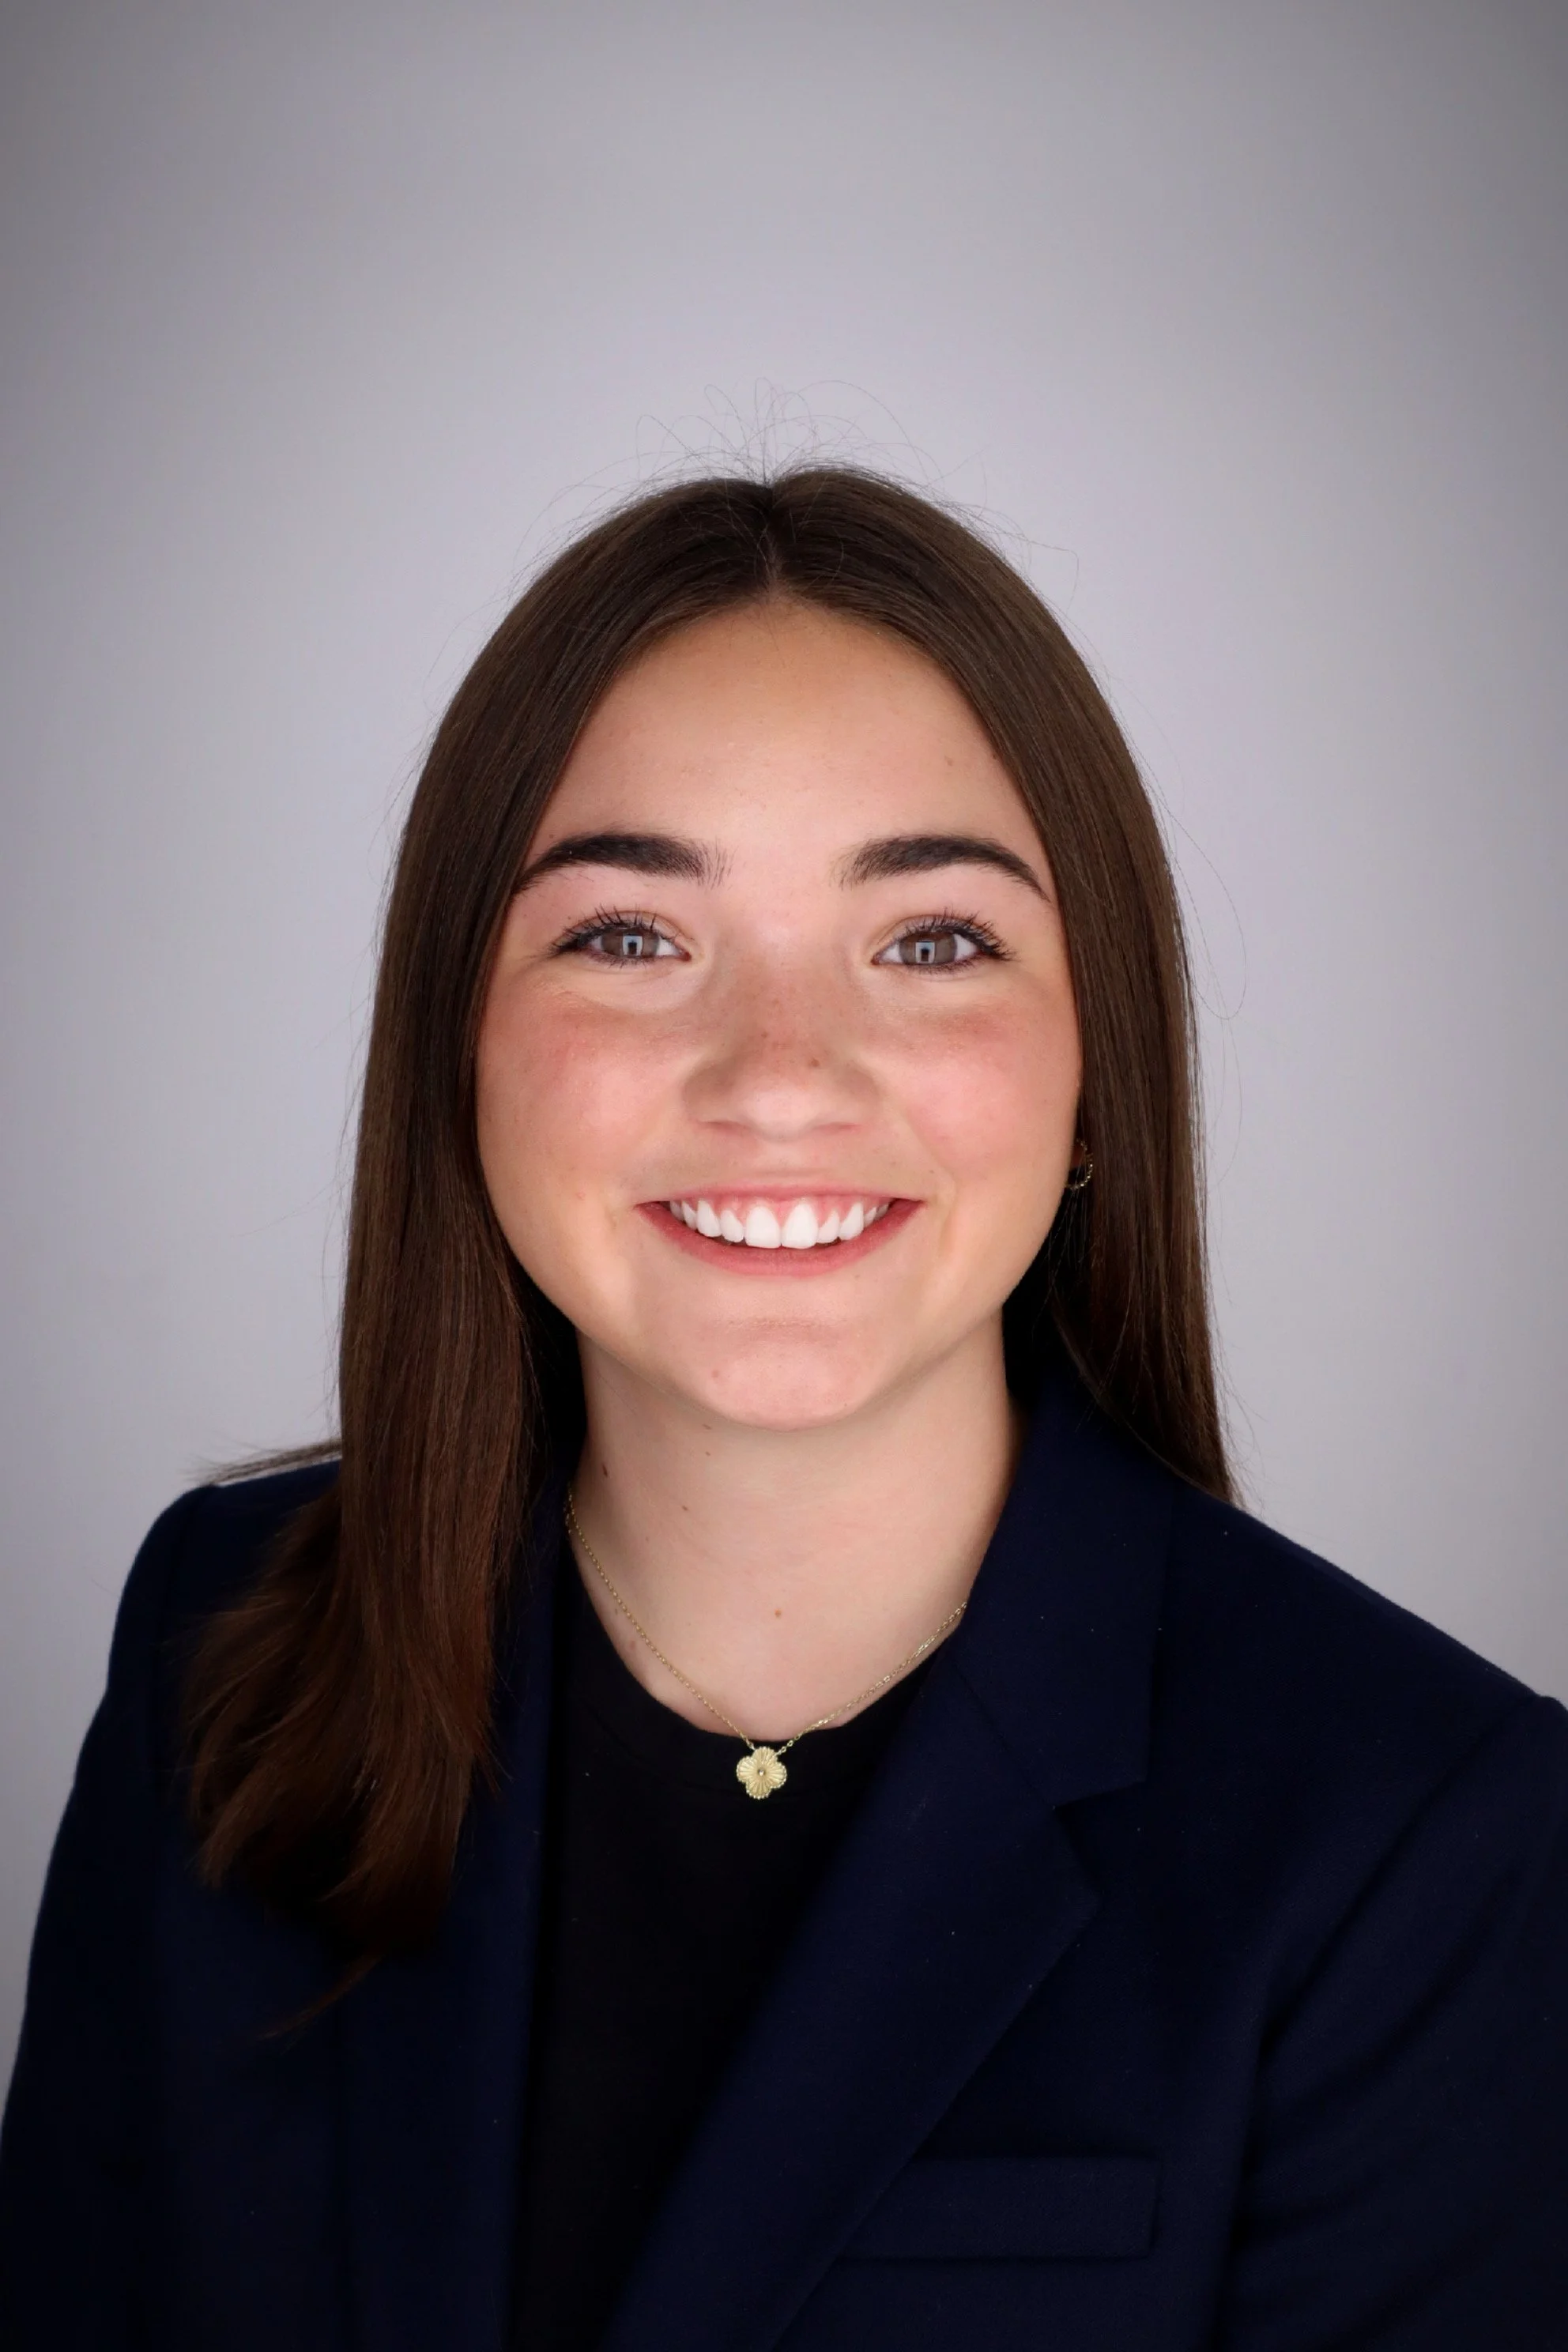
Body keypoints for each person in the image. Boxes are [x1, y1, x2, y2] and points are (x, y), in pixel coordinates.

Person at [2, 469, 1565, 2352]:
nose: (775, 1076)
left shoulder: (1422, 1834)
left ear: (1095, 1066)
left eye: (927, 943)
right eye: (630, 937)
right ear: (461, 1041)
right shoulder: (224, 1640)